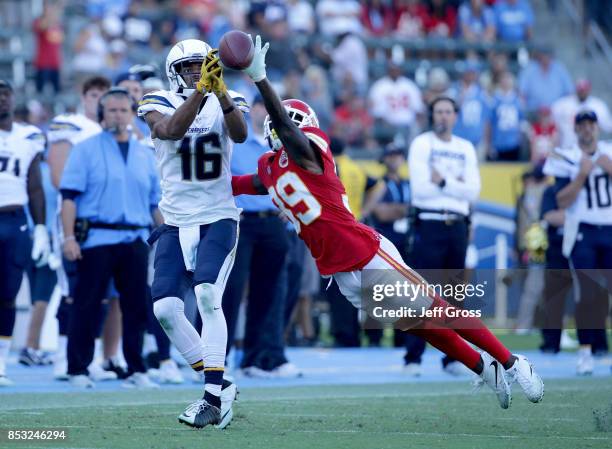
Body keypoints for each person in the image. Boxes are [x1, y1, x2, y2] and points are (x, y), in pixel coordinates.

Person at [231, 36, 544, 410]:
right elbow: (239, 184)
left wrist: (261, 81)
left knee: (435, 309)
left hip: (366, 254)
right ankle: (483, 368)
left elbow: (286, 127)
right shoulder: (269, 166)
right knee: (419, 325)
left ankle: (512, 362)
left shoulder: (312, 149)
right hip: (339, 271)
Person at [137, 39, 248, 429]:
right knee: (165, 308)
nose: (195, 73)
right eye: (188, 68)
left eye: (201, 66)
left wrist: (220, 95)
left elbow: (240, 134)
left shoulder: (226, 96)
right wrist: (202, 92)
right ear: (173, 72)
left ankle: (211, 396)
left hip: (218, 216)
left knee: (206, 295)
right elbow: (169, 130)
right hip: (174, 220)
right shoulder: (156, 99)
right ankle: (222, 383)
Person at [60, 87, 160, 390]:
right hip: (97, 237)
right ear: (102, 115)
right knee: (87, 304)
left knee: (136, 307)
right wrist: (68, 237)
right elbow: (69, 197)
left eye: (123, 110)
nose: (118, 115)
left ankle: (135, 368)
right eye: (112, 110)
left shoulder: (145, 154)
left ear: (132, 114)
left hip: (134, 239)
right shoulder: (85, 149)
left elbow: (155, 202)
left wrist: (167, 236)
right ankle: (78, 368)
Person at [47, 76, 123, 381]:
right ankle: (62, 358)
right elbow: (58, 177)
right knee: (73, 291)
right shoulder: (71, 125)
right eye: (93, 94)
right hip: (76, 218)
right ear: (83, 96)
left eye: (104, 94)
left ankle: (86, 358)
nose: (99, 100)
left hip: (105, 223)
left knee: (99, 293)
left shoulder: (115, 133)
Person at [404, 96, 481, 376]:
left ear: (455, 116)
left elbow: (474, 192)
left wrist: (445, 182)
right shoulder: (422, 144)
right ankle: (412, 358)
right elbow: (421, 190)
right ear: (431, 115)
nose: (444, 117)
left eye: (448, 112)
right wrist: (457, 187)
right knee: (421, 293)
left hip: (458, 224)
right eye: (439, 111)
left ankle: (453, 358)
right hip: (430, 223)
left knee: (454, 295)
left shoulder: (466, 148)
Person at [222, 94, 294, 378]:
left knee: (267, 293)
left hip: (273, 224)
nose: (264, 112)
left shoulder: (281, 146)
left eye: (268, 107)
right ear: (252, 111)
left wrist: (289, 205)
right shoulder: (235, 142)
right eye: (260, 106)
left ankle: (254, 358)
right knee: (231, 289)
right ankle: (218, 358)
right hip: (242, 222)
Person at [543, 110, 612, 375]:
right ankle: (585, 352)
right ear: (576, 129)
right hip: (582, 230)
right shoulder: (566, 156)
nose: (587, 129)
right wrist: (581, 176)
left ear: (597, 127)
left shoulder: (608, 151)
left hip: (609, 227)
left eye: (591, 124)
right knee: (588, 292)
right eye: (582, 125)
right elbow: (560, 201)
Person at [0, 80, 50, 386]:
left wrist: (41, 226)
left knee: (7, 293)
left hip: (15, 220)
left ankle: (1, 362)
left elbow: (34, 186)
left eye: (6, 95)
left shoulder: (28, 136)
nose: (2, 100)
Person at [552, 79, 612, 149]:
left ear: (589, 90)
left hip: (590, 150)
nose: (582, 92)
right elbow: (551, 126)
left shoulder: (598, 106)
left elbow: (609, 127)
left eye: (584, 90)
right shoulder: (561, 105)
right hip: (567, 149)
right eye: (580, 90)